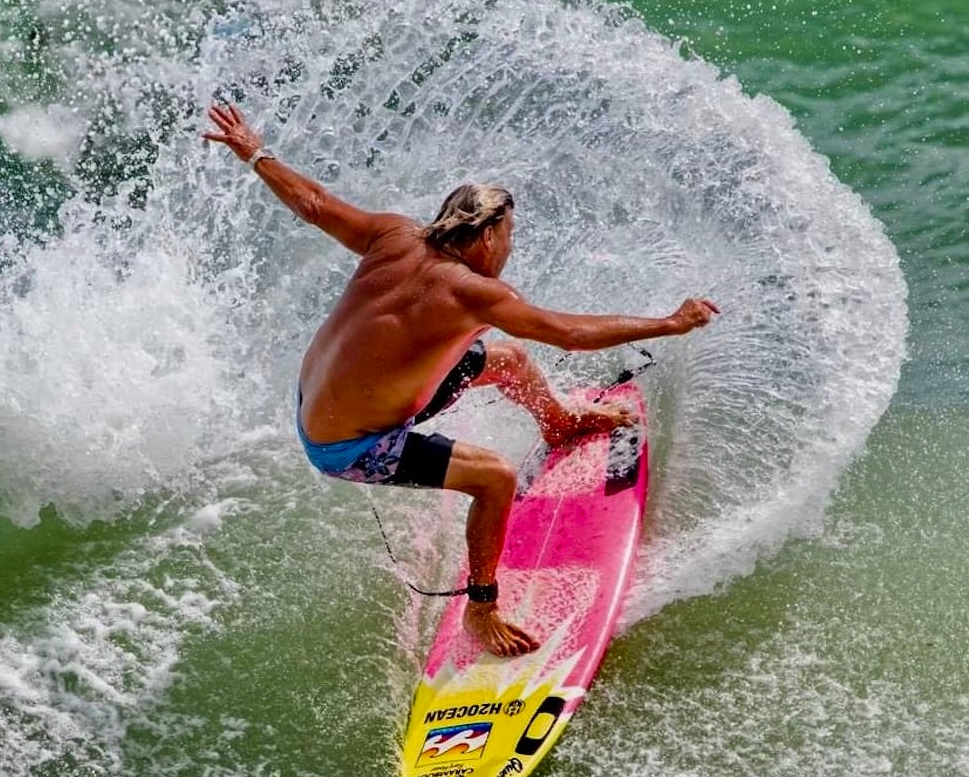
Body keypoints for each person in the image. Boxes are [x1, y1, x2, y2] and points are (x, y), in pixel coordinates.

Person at [203, 102, 720, 657]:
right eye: (511, 235)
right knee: (495, 478)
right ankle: (482, 607)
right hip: (351, 445)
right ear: (487, 237)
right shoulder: (476, 293)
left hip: (318, 404)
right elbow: (568, 333)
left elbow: (314, 204)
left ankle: (560, 423)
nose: (512, 247)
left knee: (507, 361)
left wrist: (256, 152)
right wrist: (670, 323)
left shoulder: (393, 235)